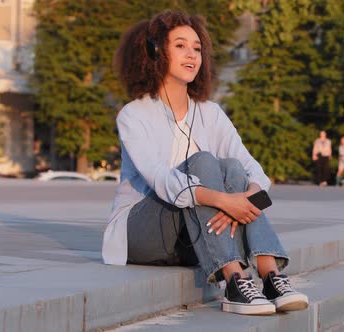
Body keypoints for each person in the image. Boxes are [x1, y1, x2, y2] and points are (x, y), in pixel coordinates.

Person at [102, 10, 308, 316]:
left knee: (235, 170)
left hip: (192, 237)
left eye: (197, 48)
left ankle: (271, 276)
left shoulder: (210, 113)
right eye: (181, 46)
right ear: (156, 52)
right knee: (204, 162)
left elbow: (256, 172)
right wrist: (223, 200)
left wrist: (242, 200)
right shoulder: (133, 115)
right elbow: (162, 180)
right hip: (142, 233)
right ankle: (234, 281)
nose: (192, 55)